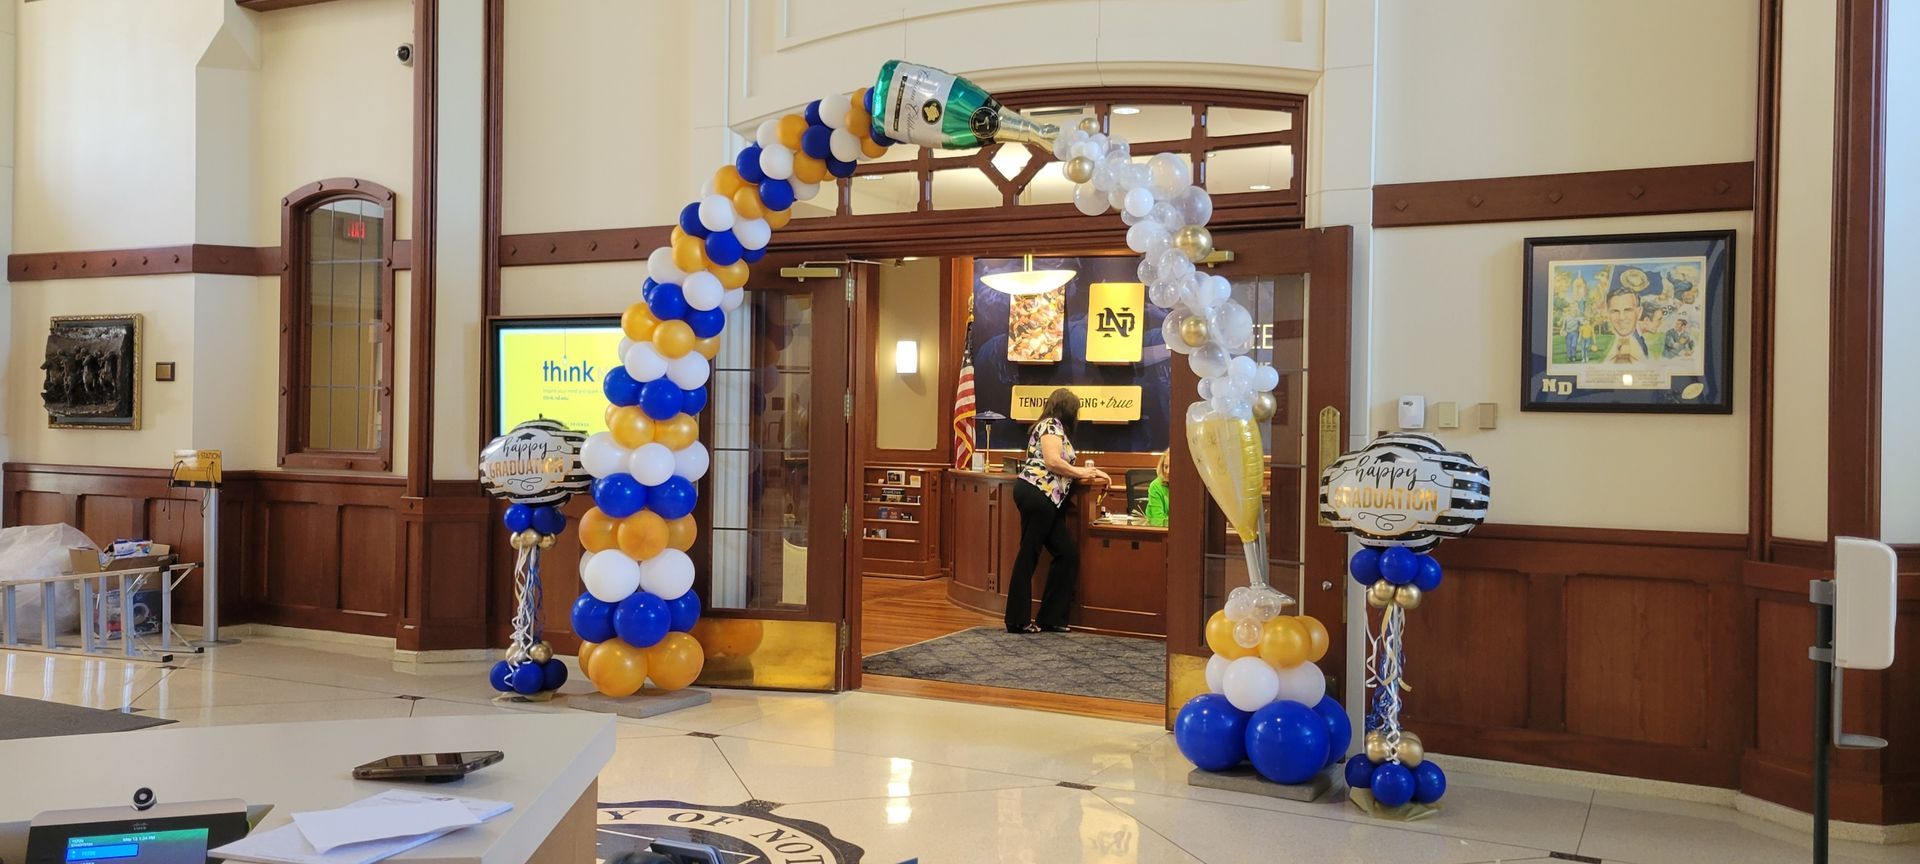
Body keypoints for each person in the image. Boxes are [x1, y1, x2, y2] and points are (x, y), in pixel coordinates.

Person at [1006, 388, 1109, 634]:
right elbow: (1053, 461)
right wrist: (1082, 472)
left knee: (1067, 554)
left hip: (1047, 499)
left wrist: (1094, 472)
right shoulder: (1051, 425)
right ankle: (1017, 620)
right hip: (1037, 492)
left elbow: (1063, 465)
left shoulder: (1055, 428)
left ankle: (1051, 618)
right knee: (1028, 553)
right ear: (1068, 409)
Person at [1145, 451, 1171, 527]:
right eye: (1166, 467)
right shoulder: (1155, 486)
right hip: (1157, 531)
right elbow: (1158, 521)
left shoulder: (1185, 487)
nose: (1167, 471)